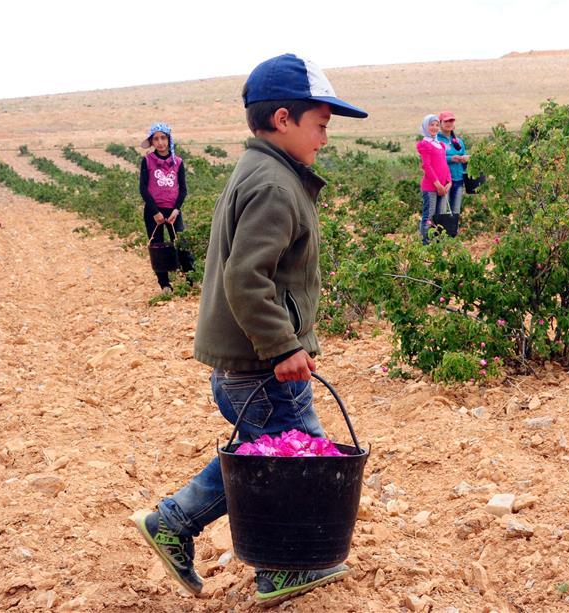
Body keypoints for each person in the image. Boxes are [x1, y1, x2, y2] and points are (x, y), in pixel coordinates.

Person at [130, 54, 367, 607]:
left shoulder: (261, 169)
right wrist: (283, 345)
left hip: (245, 364)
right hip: (261, 363)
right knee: (296, 458)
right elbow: (246, 276)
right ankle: (280, 568)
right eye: (321, 125)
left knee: (266, 450)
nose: (325, 139)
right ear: (284, 119)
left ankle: (173, 523)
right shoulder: (275, 186)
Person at [139, 122, 195, 291]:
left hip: (174, 211)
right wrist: (155, 211)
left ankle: (191, 278)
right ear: (152, 142)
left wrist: (176, 209)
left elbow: (183, 189)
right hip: (153, 212)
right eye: (156, 139)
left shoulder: (178, 162)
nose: (160, 142)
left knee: (181, 243)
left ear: (169, 139)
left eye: (163, 138)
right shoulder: (147, 161)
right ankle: (164, 284)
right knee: (157, 246)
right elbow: (143, 188)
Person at [416, 114, 452, 244]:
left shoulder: (440, 144)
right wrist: (437, 184)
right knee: (429, 215)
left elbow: (444, 164)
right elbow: (427, 166)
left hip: (443, 187)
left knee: (439, 216)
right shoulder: (424, 144)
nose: (435, 127)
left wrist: (449, 182)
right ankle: (425, 243)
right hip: (431, 187)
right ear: (426, 126)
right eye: (432, 125)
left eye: (437, 125)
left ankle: (436, 243)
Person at [436, 111, 469, 225]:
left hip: (458, 179)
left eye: (451, 120)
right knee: (442, 211)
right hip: (444, 181)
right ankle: (439, 237)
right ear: (440, 123)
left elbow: (465, 156)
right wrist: (451, 159)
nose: (449, 123)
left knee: (455, 211)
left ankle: (452, 236)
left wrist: (466, 158)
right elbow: (435, 159)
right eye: (446, 121)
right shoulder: (436, 140)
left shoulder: (459, 141)